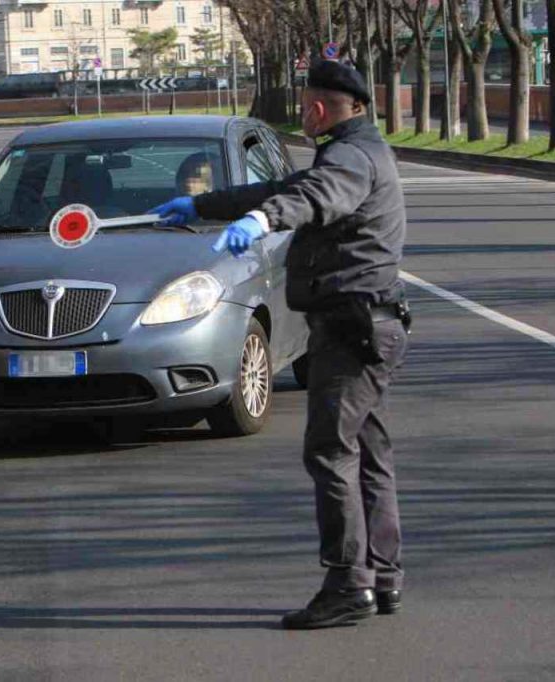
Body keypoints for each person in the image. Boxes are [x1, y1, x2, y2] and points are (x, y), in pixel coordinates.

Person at [154, 60, 410, 630]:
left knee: (330, 453)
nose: (301, 112)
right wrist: (203, 206)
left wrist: (262, 221)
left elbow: (310, 197)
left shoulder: (348, 159)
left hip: (352, 328)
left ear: (319, 109)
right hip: (369, 325)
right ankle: (383, 578)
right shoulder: (361, 147)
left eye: (304, 104)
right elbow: (282, 186)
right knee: (370, 455)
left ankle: (349, 584)